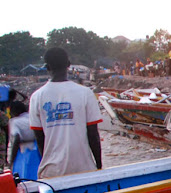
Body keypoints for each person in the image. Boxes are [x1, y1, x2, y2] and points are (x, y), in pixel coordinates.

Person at [30, 47, 102, 179]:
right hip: (83, 169)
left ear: (47, 67)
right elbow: (93, 135)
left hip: (51, 172)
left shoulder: (36, 97)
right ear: (68, 64)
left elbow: (40, 139)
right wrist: (99, 166)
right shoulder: (85, 93)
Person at [8, 101, 41, 180]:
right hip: (36, 149)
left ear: (14, 111)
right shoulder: (33, 118)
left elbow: (16, 138)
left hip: (22, 152)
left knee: (24, 176)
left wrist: (11, 159)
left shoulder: (14, 122)